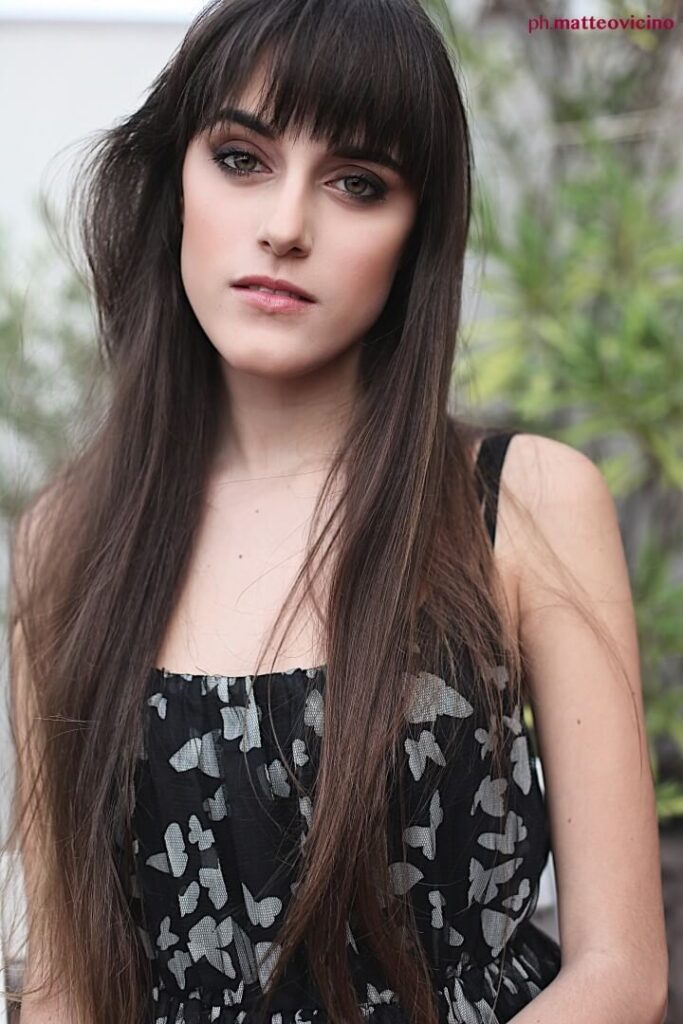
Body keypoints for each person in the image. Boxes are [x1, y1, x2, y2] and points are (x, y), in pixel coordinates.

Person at [2, 0, 668, 1022]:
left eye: (357, 182)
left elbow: (621, 971)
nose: (285, 226)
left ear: (416, 235)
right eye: (240, 158)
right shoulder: (69, 541)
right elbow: (61, 987)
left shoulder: (520, 503)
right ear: (175, 181)